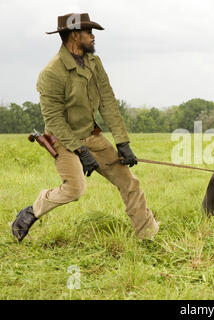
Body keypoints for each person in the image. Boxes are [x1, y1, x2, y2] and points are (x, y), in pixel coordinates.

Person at [11, 13, 159, 242]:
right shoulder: (51, 73)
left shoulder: (94, 62)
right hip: (64, 140)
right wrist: (81, 151)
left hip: (93, 136)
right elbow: (54, 121)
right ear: (73, 35)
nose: (92, 37)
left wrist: (123, 142)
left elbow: (108, 101)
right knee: (75, 189)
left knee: (130, 183)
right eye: (88, 32)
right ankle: (31, 211)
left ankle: (148, 236)